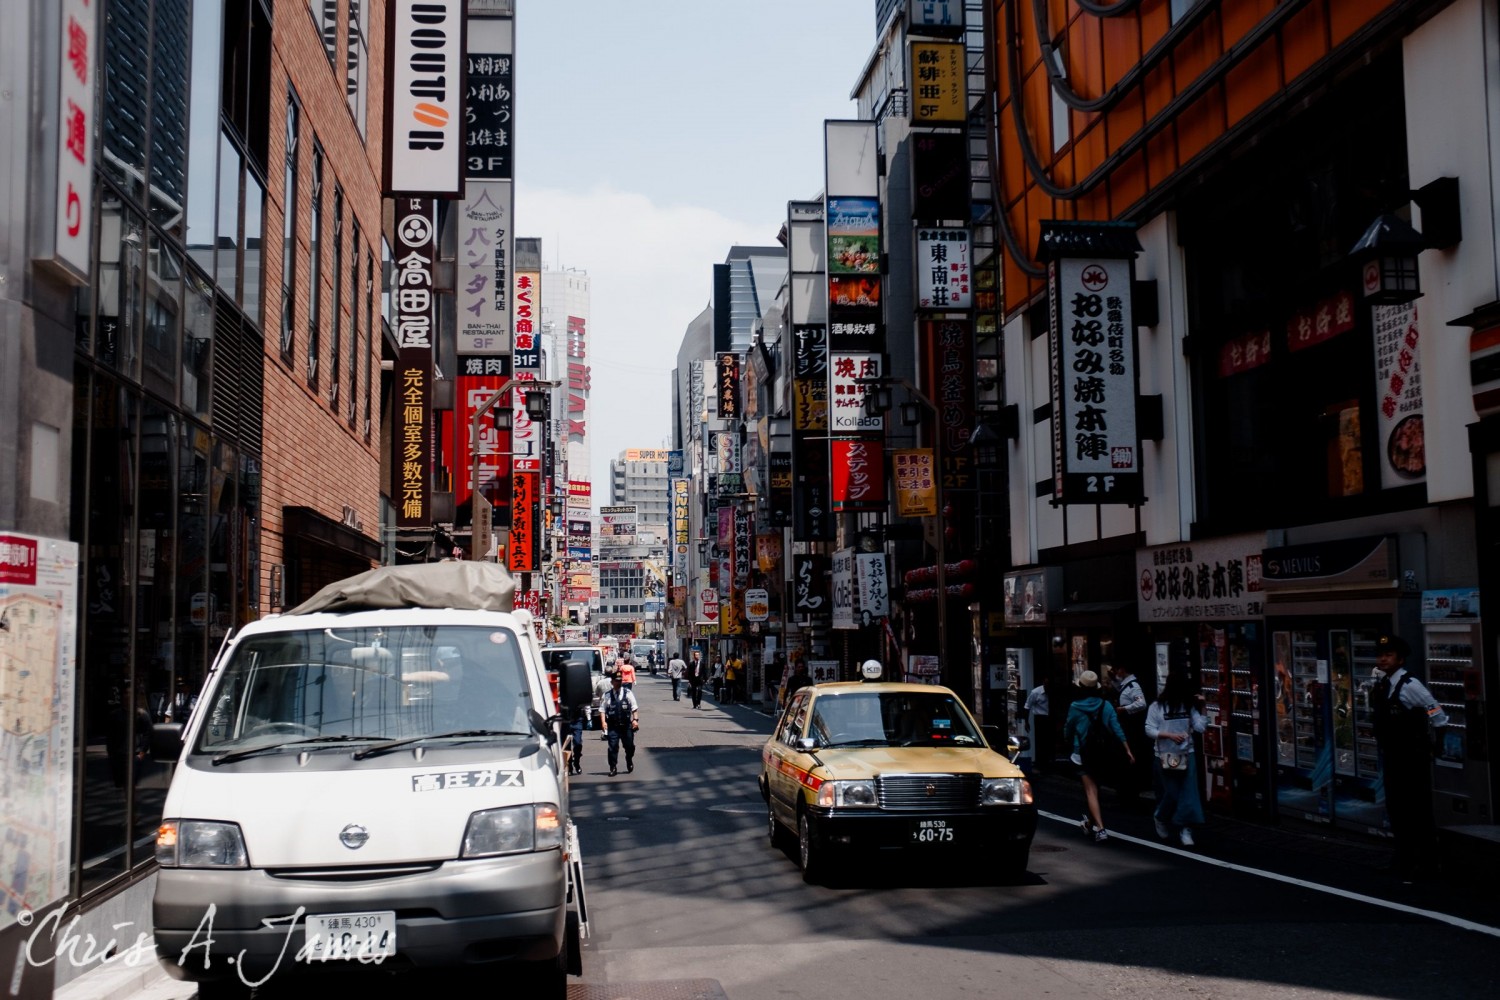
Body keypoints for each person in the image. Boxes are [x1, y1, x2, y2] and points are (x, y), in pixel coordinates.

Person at [1370, 633, 1448, 880]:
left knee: (1417, 810)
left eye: (1389, 655)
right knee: (1397, 809)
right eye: (1381, 655)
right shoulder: (1383, 683)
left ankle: (1426, 864)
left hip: (1412, 757)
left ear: (1400, 659)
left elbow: (1436, 711)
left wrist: (1438, 743)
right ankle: (1403, 860)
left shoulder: (1410, 685)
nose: (1383, 659)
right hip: (1393, 756)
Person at [1063, 670, 1134, 842]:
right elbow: (1117, 728)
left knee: (1091, 792)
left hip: (1082, 753)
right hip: (1103, 754)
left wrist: (1068, 741)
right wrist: (1127, 750)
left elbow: (1068, 728)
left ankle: (1100, 829)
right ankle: (1088, 824)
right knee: (1096, 791)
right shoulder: (1106, 705)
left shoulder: (1075, 707)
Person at [1145, 672, 1208, 846]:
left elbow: (1200, 727)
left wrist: (1203, 706)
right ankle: (1161, 816)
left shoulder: (1188, 706)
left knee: (1189, 793)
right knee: (1172, 793)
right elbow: (1149, 729)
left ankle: (1185, 828)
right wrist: (1170, 736)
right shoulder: (1157, 707)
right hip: (1165, 756)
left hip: (1188, 754)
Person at [1110, 663, 1151, 799]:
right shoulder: (1126, 685)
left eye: (1116, 670)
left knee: (1129, 757)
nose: (1116, 673)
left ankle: (1130, 792)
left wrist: (1124, 709)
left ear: (1122, 669)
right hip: (1126, 726)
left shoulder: (1134, 686)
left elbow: (1141, 703)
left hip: (1131, 727)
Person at [601, 674, 640, 776]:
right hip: (613, 726)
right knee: (612, 747)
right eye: (616, 681)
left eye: (620, 681)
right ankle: (613, 767)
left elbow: (634, 707)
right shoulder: (607, 695)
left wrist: (635, 720)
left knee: (629, 746)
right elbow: (602, 710)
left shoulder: (628, 693)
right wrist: (603, 722)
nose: (618, 683)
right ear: (612, 682)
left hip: (626, 725)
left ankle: (629, 759)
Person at [1023, 680, 1052, 774]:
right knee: (1041, 741)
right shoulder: (1036, 692)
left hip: (1049, 717)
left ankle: (1047, 762)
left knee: (1048, 741)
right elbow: (1027, 706)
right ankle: (1040, 764)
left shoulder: (1051, 692)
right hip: (1040, 718)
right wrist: (1026, 722)